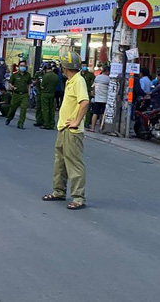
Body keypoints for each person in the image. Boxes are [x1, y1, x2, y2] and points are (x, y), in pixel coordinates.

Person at [42, 51, 90, 210]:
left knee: (74, 164)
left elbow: (84, 102)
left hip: (72, 130)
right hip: (63, 128)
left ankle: (78, 198)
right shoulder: (71, 81)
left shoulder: (78, 81)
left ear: (64, 67)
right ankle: (59, 191)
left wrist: (76, 121)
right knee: (60, 163)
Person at [5, 60, 32, 129]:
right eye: (21, 66)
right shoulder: (15, 75)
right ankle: (9, 118)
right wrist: (12, 87)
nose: (23, 67)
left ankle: (20, 123)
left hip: (24, 94)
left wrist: (29, 93)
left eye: (24, 66)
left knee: (24, 109)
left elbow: (29, 84)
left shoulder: (28, 75)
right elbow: (10, 82)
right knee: (13, 108)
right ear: (19, 66)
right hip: (16, 94)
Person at [89, 65, 110, 132]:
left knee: (95, 113)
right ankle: (101, 128)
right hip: (105, 99)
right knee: (103, 114)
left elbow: (94, 88)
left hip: (97, 98)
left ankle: (92, 127)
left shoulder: (97, 77)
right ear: (107, 72)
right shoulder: (109, 79)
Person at [40, 63, 59, 130]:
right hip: (52, 93)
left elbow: (42, 86)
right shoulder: (56, 76)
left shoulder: (46, 76)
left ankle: (46, 124)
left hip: (45, 94)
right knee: (51, 109)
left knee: (45, 109)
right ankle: (52, 123)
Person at [80, 61, 95, 128]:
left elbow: (94, 83)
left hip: (87, 93)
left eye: (85, 66)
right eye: (83, 66)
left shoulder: (90, 75)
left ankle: (87, 123)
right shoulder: (78, 74)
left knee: (87, 109)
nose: (84, 67)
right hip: (79, 92)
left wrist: (92, 90)